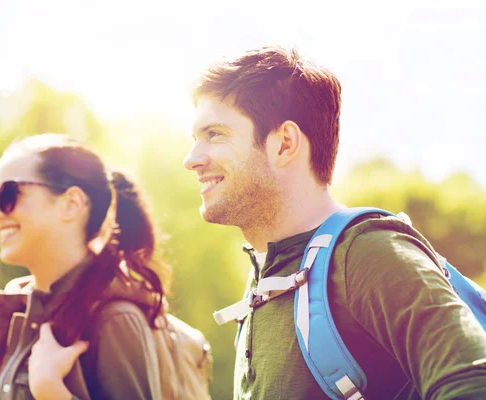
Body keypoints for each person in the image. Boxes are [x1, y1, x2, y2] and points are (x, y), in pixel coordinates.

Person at [183, 45, 486, 399]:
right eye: (195, 139)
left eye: (214, 134)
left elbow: (474, 382)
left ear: (284, 144)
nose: (191, 160)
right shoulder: (265, 282)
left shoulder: (369, 254)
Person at [0, 133, 171, 400]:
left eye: (8, 194)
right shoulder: (14, 314)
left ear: (71, 205)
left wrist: (52, 392)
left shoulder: (113, 319)